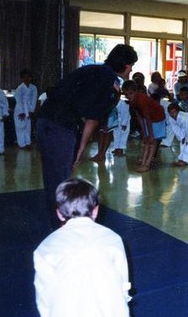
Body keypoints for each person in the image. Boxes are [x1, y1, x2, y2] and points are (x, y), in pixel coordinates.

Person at [37, 44, 137, 230]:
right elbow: (93, 119)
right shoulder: (110, 82)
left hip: (45, 122)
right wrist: (80, 149)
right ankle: (63, 228)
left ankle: (56, 222)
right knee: (61, 179)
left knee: (52, 178)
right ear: (123, 64)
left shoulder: (92, 69)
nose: (131, 69)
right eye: (131, 65)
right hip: (60, 127)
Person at [33, 178, 134, 317]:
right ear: (95, 210)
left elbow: (44, 298)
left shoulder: (45, 248)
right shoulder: (113, 238)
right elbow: (123, 285)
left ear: (59, 214)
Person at [123, 80, 166, 172]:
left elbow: (148, 118)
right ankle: (144, 161)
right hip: (148, 119)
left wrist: (151, 135)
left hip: (157, 118)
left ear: (135, 92)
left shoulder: (142, 100)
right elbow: (139, 116)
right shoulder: (133, 101)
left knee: (152, 142)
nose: (128, 96)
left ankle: (147, 164)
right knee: (146, 141)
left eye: (130, 93)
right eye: (126, 94)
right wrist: (144, 133)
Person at [14, 69, 38, 149]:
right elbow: (19, 101)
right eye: (25, 77)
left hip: (29, 109)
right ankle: (21, 144)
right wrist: (22, 112)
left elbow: (34, 100)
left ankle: (28, 143)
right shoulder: (19, 89)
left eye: (29, 77)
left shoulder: (33, 88)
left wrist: (31, 111)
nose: (27, 79)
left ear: (31, 78)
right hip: (20, 110)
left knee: (28, 127)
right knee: (20, 127)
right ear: (22, 78)